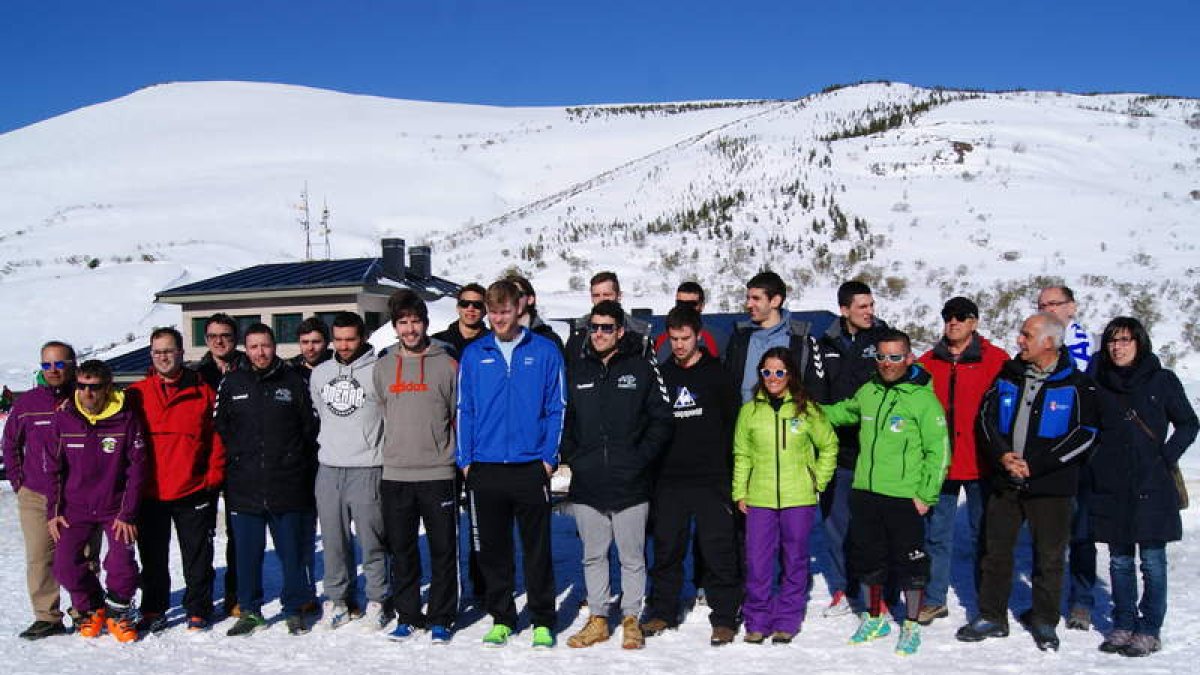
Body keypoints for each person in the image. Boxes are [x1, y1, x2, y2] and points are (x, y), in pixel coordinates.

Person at [958, 312, 1099, 652]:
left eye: (1026, 335)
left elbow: (1085, 434)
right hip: (1006, 481)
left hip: (1051, 487)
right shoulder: (1008, 375)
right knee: (995, 551)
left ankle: (1044, 620)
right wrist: (1003, 456)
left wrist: (1036, 465)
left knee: (1049, 557)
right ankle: (992, 615)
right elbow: (986, 419)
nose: (1019, 340)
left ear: (1049, 342)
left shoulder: (1076, 385)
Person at [822, 330, 949, 656]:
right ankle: (875, 617)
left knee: (910, 564)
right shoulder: (869, 391)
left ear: (909, 358)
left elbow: (939, 451)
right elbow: (843, 412)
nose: (888, 363)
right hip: (866, 491)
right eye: (882, 357)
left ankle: (910, 625)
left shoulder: (922, 398)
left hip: (904, 495)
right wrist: (809, 409)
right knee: (868, 558)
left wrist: (926, 494)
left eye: (895, 357)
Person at [457, 279, 566, 649]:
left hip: (529, 467)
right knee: (494, 550)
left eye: (505, 311)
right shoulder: (475, 354)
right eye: (493, 312)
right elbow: (464, 410)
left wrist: (548, 459)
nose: (498, 319)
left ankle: (542, 620)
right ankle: (502, 617)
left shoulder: (545, 351)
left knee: (537, 549)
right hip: (485, 468)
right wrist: (466, 461)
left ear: (519, 309)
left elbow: (557, 408)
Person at [561, 300, 673, 650]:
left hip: (631, 481)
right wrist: (575, 457)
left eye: (606, 328)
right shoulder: (578, 371)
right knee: (593, 554)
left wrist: (640, 458)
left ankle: (630, 619)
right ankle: (597, 619)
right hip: (589, 482)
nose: (598, 334)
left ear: (620, 331)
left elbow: (661, 419)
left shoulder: (640, 369)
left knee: (631, 556)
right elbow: (567, 423)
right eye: (594, 327)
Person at [1087, 317, 1197, 657]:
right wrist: (1096, 460)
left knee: (1152, 560)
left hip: (1152, 483)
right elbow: (1087, 426)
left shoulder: (1161, 380)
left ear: (1139, 343)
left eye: (1124, 340)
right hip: (1112, 484)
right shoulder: (1098, 381)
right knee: (1119, 560)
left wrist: (1165, 457)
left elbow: (1188, 423)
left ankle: (1150, 628)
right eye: (1111, 342)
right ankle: (1123, 623)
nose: (1117, 347)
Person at [642, 305, 742, 646]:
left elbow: (734, 426)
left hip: (712, 478)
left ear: (699, 336)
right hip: (670, 479)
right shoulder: (662, 375)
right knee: (667, 549)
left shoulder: (718, 374)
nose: (680, 345)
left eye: (685, 338)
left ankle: (725, 617)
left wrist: (732, 473)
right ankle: (662, 611)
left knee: (718, 551)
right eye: (674, 339)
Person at [214, 323, 319, 637]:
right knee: (247, 555)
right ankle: (250, 610)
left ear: (275, 347)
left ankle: (294, 608)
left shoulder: (295, 381)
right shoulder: (232, 383)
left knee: (292, 553)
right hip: (245, 485)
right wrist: (240, 457)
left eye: (266, 346)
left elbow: (310, 427)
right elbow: (220, 425)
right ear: (246, 349)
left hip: (287, 483)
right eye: (254, 346)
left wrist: (292, 459)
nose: (261, 352)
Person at [734, 347, 838, 645]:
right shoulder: (750, 411)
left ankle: (787, 620)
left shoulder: (807, 409)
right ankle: (757, 620)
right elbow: (742, 454)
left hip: (798, 498)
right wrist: (740, 490)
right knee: (758, 562)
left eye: (780, 372)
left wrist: (817, 479)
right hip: (760, 498)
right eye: (767, 372)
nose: (773, 378)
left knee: (794, 560)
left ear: (790, 374)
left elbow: (829, 446)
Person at [914, 297, 1008, 624]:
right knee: (937, 534)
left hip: (982, 463)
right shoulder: (928, 362)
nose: (953, 322)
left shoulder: (996, 360)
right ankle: (935, 598)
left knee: (983, 534)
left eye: (961, 317)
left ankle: (986, 603)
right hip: (941, 464)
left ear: (974, 323)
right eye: (948, 317)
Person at [373, 292, 459, 643]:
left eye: (416, 321)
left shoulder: (447, 363)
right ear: (395, 327)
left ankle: (441, 616)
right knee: (403, 550)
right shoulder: (382, 366)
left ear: (425, 323)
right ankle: (408, 615)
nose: (410, 329)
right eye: (403, 322)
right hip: (396, 474)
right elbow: (382, 412)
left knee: (442, 550)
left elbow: (458, 414)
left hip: (438, 472)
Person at [127, 328, 224, 633]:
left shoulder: (203, 391)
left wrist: (213, 475)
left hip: (192, 488)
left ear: (181, 353)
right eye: (157, 352)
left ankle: (198, 608)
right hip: (151, 491)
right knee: (153, 557)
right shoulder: (136, 394)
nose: (163, 357)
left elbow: (217, 437)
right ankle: (154, 608)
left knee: (196, 555)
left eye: (168, 351)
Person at [47, 360, 147, 643]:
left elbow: (136, 470)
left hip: (115, 508)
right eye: (82, 386)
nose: (87, 393)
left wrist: (127, 514)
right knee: (64, 565)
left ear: (107, 388)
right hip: (75, 508)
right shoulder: (64, 418)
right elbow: (54, 469)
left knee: (121, 564)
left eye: (94, 387)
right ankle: (92, 607)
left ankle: (118, 612)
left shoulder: (126, 419)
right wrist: (53, 512)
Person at [814, 280, 890, 616]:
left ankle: (876, 595)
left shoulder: (885, 341)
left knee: (874, 528)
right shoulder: (823, 344)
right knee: (836, 525)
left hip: (874, 451)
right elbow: (816, 395)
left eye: (871, 305)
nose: (869, 312)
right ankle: (844, 591)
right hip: (837, 452)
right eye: (862, 306)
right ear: (844, 309)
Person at [310, 312, 390, 631]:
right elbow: (320, 412)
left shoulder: (378, 371)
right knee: (334, 540)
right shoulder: (321, 373)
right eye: (338, 339)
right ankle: (338, 599)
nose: (344, 346)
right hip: (329, 467)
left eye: (350, 339)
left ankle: (377, 599)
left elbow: (388, 414)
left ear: (363, 337)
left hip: (368, 467)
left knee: (372, 541)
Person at [3, 342, 80, 639]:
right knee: (39, 557)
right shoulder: (28, 403)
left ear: (72, 364)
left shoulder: (85, 396)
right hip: (35, 493)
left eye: (59, 364)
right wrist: (19, 483)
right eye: (47, 365)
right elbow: (10, 444)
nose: (53, 370)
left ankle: (84, 610)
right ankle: (47, 616)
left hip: (76, 494)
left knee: (81, 555)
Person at [1037, 284, 1097, 630]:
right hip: (1046, 454)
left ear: (1071, 307)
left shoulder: (1085, 349)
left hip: (1081, 454)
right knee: (1050, 534)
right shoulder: (1039, 348)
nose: (1049, 310)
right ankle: (1046, 600)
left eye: (1055, 304)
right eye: (1042, 305)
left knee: (1081, 532)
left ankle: (1081, 600)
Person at [189, 312, 246, 617]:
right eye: (212, 336)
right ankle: (202, 597)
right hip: (206, 463)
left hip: (241, 462)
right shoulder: (197, 374)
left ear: (234, 337)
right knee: (202, 535)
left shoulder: (248, 366)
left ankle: (236, 594)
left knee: (239, 534)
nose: (219, 341)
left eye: (225, 335)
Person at [723, 271, 824, 404]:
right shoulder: (739, 338)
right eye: (748, 298)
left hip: (787, 421)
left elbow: (816, 389)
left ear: (775, 301)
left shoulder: (801, 340)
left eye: (756, 298)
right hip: (745, 420)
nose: (748, 305)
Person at [564, 271, 652, 365]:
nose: (602, 300)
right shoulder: (579, 330)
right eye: (596, 295)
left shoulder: (639, 331)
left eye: (607, 295)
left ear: (619, 296)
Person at [652, 282, 721, 360]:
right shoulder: (659, 340)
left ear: (702, 306)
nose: (685, 308)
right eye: (681, 304)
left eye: (691, 304)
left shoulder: (717, 339)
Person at [506, 273, 565, 352]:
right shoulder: (492, 340)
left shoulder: (548, 340)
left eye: (516, 294)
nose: (511, 300)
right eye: (505, 295)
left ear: (530, 299)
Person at [432, 282, 491, 357]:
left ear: (485, 310)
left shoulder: (494, 343)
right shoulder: (438, 341)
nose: (470, 309)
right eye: (465, 304)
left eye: (477, 305)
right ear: (458, 307)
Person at [289, 316, 333, 382]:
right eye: (305, 342)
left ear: (327, 343)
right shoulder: (289, 370)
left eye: (316, 342)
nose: (310, 348)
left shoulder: (341, 367)